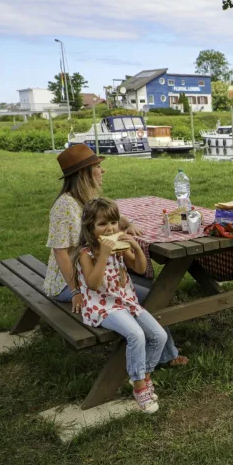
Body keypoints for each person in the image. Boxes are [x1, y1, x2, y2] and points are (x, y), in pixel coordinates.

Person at [43, 144, 187, 366]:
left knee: (145, 285)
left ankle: (158, 349)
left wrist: (127, 223)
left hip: (92, 270)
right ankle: (166, 356)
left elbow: (110, 217)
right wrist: (75, 291)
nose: (103, 171)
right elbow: (61, 253)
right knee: (151, 294)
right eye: (98, 167)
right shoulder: (65, 206)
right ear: (85, 173)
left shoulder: (84, 199)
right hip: (68, 282)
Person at [74, 198, 164, 413]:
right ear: (90, 228)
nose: (110, 228)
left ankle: (143, 377)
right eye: (102, 224)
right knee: (136, 335)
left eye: (113, 223)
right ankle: (140, 387)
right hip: (102, 306)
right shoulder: (85, 254)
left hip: (126, 301)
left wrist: (134, 246)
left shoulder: (120, 247)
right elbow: (94, 285)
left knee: (159, 336)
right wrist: (103, 255)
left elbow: (141, 269)